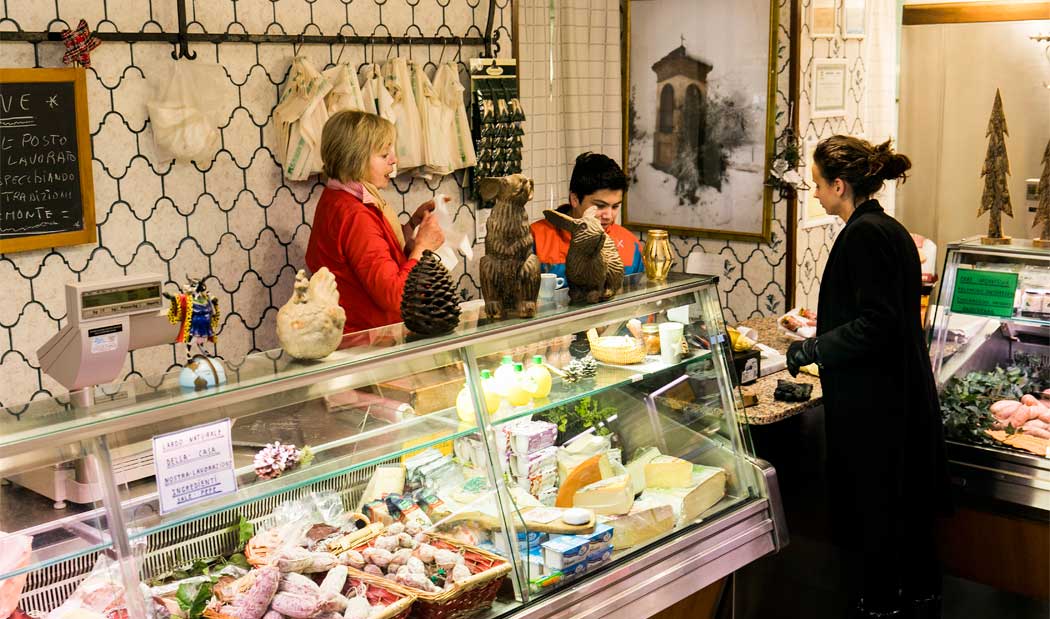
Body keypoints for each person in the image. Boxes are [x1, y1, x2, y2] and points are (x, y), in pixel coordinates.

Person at [786, 135, 950, 619]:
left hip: (876, 400)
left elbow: (877, 323)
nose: (816, 194)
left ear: (840, 186)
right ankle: (918, 595)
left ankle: (879, 603)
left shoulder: (864, 235)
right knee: (902, 504)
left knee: (877, 504)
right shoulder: (887, 229)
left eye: (818, 184)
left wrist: (814, 348)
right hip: (895, 391)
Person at [306, 111, 445, 333]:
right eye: (384, 154)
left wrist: (411, 226)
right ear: (356, 159)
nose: (394, 160)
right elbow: (395, 296)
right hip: (367, 341)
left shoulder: (336, 197)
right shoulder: (355, 215)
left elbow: (369, 253)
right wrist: (422, 248)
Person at [531, 152, 643, 280]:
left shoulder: (631, 245)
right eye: (600, 206)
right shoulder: (535, 238)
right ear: (575, 199)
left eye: (615, 206)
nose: (609, 216)